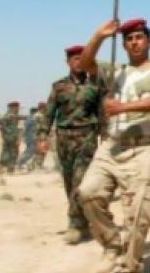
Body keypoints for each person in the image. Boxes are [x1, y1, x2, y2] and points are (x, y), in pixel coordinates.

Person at [77, 18, 150, 273]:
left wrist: (122, 107)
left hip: (144, 148)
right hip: (113, 146)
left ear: (149, 41)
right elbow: (85, 64)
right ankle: (111, 246)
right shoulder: (116, 71)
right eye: (129, 39)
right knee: (88, 193)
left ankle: (131, 264)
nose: (134, 42)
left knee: (139, 212)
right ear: (124, 45)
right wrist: (99, 36)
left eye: (139, 37)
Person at [44, 44, 106, 244]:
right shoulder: (58, 86)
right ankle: (84, 219)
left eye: (82, 58)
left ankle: (75, 224)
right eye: (74, 59)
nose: (78, 62)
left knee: (81, 181)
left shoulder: (95, 86)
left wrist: (105, 136)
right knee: (69, 180)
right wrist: (41, 136)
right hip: (63, 138)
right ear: (68, 62)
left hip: (86, 137)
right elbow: (49, 113)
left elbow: (102, 114)